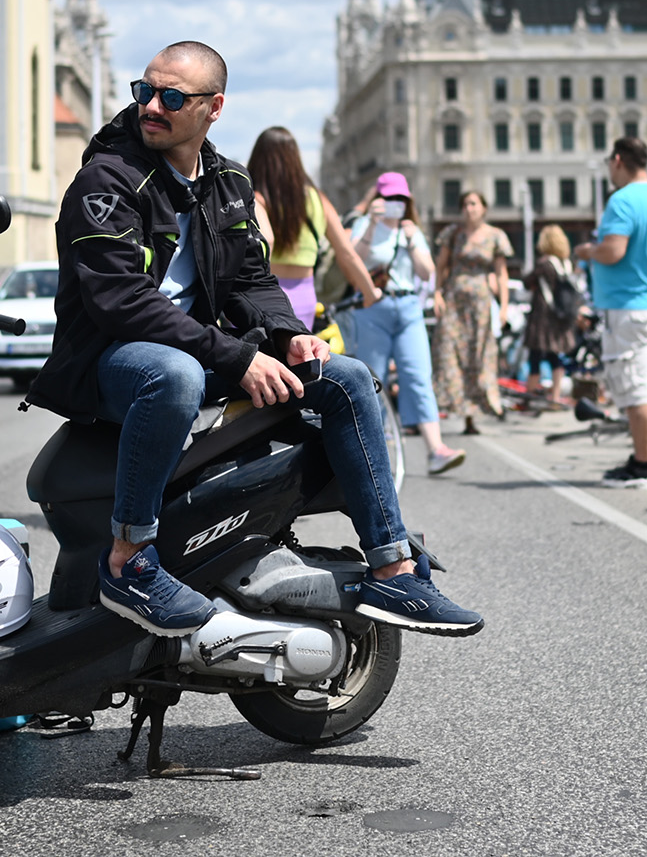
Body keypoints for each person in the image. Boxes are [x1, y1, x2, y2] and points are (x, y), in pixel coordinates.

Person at [30, 42, 482, 637]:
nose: (152, 107)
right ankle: (129, 560)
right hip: (112, 358)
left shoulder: (228, 182)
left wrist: (290, 335)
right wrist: (237, 357)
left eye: (172, 97)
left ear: (213, 107)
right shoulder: (106, 179)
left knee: (343, 377)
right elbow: (120, 302)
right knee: (174, 375)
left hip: (198, 348)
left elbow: (252, 280)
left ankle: (392, 568)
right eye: (145, 92)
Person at [576, 137, 647, 488]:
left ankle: (643, 465)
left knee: (637, 388)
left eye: (610, 161)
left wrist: (589, 250)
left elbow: (614, 250)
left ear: (618, 160)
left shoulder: (622, 201)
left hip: (627, 305)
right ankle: (643, 459)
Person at [346, 174, 464, 475]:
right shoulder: (364, 225)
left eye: (401, 199)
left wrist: (412, 240)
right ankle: (377, 451)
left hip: (409, 306)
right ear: (378, 199)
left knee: (418, 374)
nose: (395, 204)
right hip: (373, 307)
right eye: (389, 198)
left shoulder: (412, 230)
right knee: (375, 380)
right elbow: (351, 261)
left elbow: (427, 273)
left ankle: (436, 449)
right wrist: (371, 224)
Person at [245, 125, 379, 330]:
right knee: (299, 358)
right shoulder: (317, 199)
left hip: (266, 295)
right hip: (304, 296)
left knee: (264, 360)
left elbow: (266, 240)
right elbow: (347, 253)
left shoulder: (257, 198)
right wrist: (369, 292)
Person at [433, 190, 512, 435]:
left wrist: (504, 306)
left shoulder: (495, 236)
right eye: (466, 204)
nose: (470, 208)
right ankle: (450, 408)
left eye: (474, 203)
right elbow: (441, 266)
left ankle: (474, 414)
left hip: (480, 303)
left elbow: (501, 273)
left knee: (479, 355)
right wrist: (436, 293)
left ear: (484, 208)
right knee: (450, 351)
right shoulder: (452, 233)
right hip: (454, 299)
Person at [524, 225, 584, 405]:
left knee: (534, 355)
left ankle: (530, 395)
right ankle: (556, 396)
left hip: (543, 317)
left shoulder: (544, 264)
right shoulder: (565, 264)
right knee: (554, 356)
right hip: (560, 317)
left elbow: (528, 282)